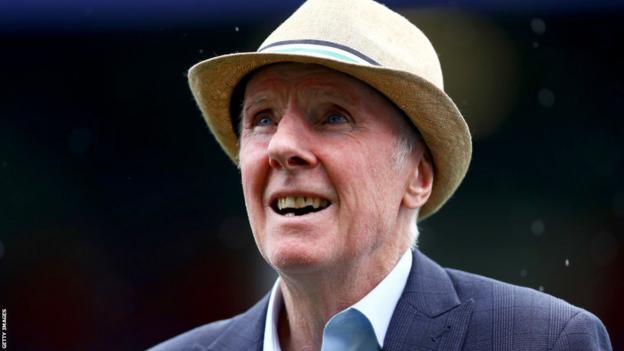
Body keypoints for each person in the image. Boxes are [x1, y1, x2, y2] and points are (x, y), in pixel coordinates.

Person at [149, 0, 612, 350]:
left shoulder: (541, 341)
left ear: (418, 177)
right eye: (263, 119)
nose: (282, 147)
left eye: (332, 116)